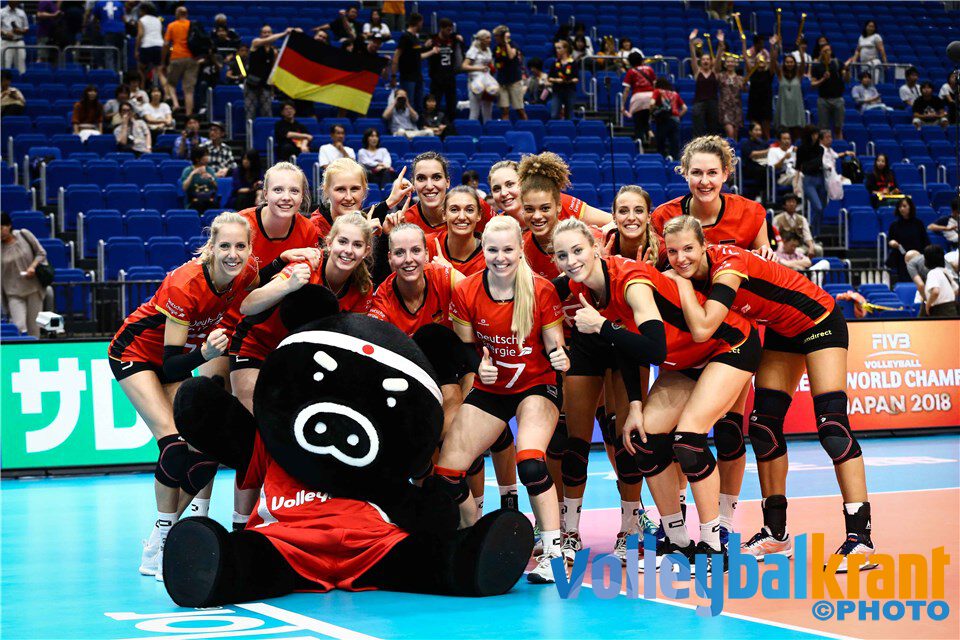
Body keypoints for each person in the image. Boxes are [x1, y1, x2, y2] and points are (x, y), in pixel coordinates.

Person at [662, 217, 875, 571]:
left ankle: (860, 537)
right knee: (763, 426)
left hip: (819, 319)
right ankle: (776, 533)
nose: (681, 258)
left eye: (688, 249)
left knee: (832, 426)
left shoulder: (728, 267)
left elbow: (703, 327)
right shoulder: (686, 268)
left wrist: (681, 284)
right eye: (673, 252)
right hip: (782, 329)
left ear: (704, 246)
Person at [108, 211, 259, 580]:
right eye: (225, 246)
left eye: (241, 246)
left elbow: (262, 287)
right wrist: (205, 354)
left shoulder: (247, 274)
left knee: (206, 451)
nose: (233, 254)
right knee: (174, 446)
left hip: (177, 359)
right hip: (135, 354)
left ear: (249, 249)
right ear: (211, 247)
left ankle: (165, 536)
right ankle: (160, 542)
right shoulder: (185, 284)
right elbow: (172, 365)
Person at [434, 215, 570, 583]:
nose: (500, 257)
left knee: (531, 463)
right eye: (493, 250)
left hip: (536, 386)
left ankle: (553, 553)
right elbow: (464, 347)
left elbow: (555, 347)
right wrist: (478, 365)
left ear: (520, 250)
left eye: (508, 249)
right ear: (484, 250)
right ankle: (472, 534)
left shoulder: (542, 290)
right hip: (492, 389)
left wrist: (560, 356)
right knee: (446, 474)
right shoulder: (466, 291)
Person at [225, 162, 322, 537]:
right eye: (278, 190)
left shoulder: (308, 229)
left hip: (285, 343)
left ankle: (282, 516)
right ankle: (235, 525)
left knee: (287, 433)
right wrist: (281, 262)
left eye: (294, 191)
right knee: (250, 434)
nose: (286, 197)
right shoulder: (242, 225)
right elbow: (240, 293)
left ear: (303, 196)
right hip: (236, 330)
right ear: (263, 193)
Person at [652, 135, 773, 255]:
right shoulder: (663, 216)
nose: (704, 181)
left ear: (725, 174)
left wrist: (766, 257)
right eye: (696, 172)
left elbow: (765, 263)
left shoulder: (750, 213)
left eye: (712, 172)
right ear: (685, 173)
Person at [488, 158, 613, 230]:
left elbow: (612, 222)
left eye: (510, 184)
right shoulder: (498, 226)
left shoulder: (557, 201)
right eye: (496, 189)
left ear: (523, 183)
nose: (503, 193)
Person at [0, 212, 47, 337]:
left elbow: (41, 253)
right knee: (18, 326)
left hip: (33, 289)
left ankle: (35, 349)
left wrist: (32, 267)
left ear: (9, 225)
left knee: (34, 329)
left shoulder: (24, 235)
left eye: (1, 228)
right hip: (13, 292)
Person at [426, 185, 486, 276]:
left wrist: (451, 273)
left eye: (469, 210)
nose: (462, 217)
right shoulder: (427, 245)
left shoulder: (489, 255)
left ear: (478, 215)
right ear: (444, 214)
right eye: (454, 210)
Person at [392, 13, 436, 112]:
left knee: (419, 105)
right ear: (418, 22)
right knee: (409, 104)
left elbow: (418, 56)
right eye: (421, 23)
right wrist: (394, 76)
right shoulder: (405, 36)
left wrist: (429, 50)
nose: (422, 25)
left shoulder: (415, 38)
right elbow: (396, 56)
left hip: (417, 76)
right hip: (408, 77)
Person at [246, 26, 291, 122]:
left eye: (269, 32)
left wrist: (273, 87)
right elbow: (267, 40)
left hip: (265, 85)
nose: (266, 34)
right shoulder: (255, 43)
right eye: (264, 32)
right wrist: (284, 33)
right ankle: (250, 131)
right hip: (252, 84)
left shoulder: (273, 51)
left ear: (272, 33)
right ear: (260, 34)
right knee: (250, 111)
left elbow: (273, 70)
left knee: (266, 111)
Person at [162, 6, 198, 115]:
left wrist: (163, 60)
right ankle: (188, 114)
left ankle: (176, 104)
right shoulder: (192, 25)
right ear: (186, 14)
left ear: (177, 14)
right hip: (192, 58)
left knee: (170, 83)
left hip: (176, 57)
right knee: (189, 90)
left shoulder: (172, 25)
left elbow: (166, 44)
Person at [428, 18, 464, 122]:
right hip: (436, 77)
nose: (450, 32)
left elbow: (461, 47)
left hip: (450, 76)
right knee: (435, 103)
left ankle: (450, 124)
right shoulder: (433, 40)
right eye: (448, 30)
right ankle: (434, 123)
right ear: (442, 28)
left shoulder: (453, 38)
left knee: (451, 103)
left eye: (451, 30)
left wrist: (459, 38)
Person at [887, 197, 931, 281]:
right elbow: (890, 240)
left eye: (904, 206)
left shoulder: (918, 223)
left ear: (910, 207)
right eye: (900, 207)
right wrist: (891, 242)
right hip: (901, 258)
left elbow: (925, 241)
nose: (901, 209)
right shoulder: (894, 225)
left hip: (917, 257)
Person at [810, 43, 848, 140]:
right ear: (820, 53)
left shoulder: (838, 63)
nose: (827, 53)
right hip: (823, 100)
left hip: (838, 99)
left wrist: (847, 71)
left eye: (828, 50)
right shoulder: (817, 67)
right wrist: (823, 79)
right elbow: (813, 84)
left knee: (838, 128)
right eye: (824, 51)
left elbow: (846, 79)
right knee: (823, 129)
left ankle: (839, 145)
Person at [688, 29, 720, 137]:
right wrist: (691, 42)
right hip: (699, 102)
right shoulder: (697, 72)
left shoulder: (715, 72)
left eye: (707, 59)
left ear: (711, 62)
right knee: (698, 128)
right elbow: (693, 57)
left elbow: (718, 58)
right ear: (700, 62)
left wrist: (721, 44)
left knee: (713, 128)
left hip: (713, 102)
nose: (705, 61)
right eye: (703, 59)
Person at [796, 125, 827, 238]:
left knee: (822, 208)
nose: (815, 136)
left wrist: (807, 165)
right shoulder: (801, 149)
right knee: (818, 206)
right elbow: (798, 167)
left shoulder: (820, 149)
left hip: (820, 178)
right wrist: (796, 184)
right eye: (813, 134)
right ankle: (810, 229)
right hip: (808, 180)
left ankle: (816, 234)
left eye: (817, 134)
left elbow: (817, 163)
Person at [463, 29, 499, 123]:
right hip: (475, 81)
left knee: (488, 110)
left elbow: (489, 64)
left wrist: (491, 68)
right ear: (481, 39)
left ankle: (488, 129)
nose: (490, 40)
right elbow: (464, 66)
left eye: (490, 38)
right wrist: (480, 68)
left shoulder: (488, 50)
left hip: (487, 80)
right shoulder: (473, 50)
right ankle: (472, 129)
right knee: (474, 111)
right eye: (487, 38)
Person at [621, 52, 657, 143]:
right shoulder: (649, 69)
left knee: (638, 122)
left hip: (638, 97)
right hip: (650, 97)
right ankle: (650, 133)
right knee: (646, 118)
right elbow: (655, 85)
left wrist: (622, 104)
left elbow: (627, 90)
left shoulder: (631, 71)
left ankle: (640, 143)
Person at [493, 25, 526, 121]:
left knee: (519, 109)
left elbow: (511, 56)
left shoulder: (513, 45)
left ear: (502, 36)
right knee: (505, 110)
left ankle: (526, 126)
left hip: (514, 81)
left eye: (496, 35)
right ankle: (505, 127)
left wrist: (506, 42)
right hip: (502, 81)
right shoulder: (496, 48)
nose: (495, 38)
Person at [747, 38, 778, 139]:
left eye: (763, 60)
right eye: (759, 60)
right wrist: (743, 43)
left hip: (765, 103)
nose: (761, 61)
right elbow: (745, 58)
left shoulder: (769, 73)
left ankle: (767, 145)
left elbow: (773, 60)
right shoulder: (752, 72)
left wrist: (772, 46)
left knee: (766, 132)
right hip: (754, 102)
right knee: (754, 130)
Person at [774, 193, 822, 257]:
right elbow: (775, 236)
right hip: (784, 246)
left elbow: (807, 236)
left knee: (818, 249)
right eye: (789, 202)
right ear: (784, 205)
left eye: (793, 202)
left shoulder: (802, 219)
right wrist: (783, 246)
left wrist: (811, 247)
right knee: (797, 251)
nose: (791, 204)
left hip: (800, 245)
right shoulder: (777, 219)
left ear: (796, 204)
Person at [650, 78, 686, 160]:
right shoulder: (675, 94)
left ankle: (661, 160)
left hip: (663, 119)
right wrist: (678, 116)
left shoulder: (658, 91)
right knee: (674, 143)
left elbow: (651, 103)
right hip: (675, 120)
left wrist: (652, 113)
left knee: (661, 142)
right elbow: (685, 108)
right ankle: (674, 161)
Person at [775, 41, 806, 134]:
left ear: (795, 63)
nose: (789, 64)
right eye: (787, 62)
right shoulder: (780, 75)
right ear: (784, 63)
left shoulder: (798, 74)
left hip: (796, 106)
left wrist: (800, 48)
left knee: (796, 132)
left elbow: (803, 62)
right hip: (784, 105)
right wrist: (775, 47)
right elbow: (774, 61)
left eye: (791, 62)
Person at [87, 0, 126, 69]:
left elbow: (94, 19)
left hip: (107, 30)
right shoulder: (119, 3)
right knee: (119, 52)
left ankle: (111, 72)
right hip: (120, 30)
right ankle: (120, 71)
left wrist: (96, 26)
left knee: (109, 53)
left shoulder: (99, 3)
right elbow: (123, 19)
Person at [923, 245, 959, 317]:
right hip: (952, 308)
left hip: (939, 311)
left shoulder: (933, 273)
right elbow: (956, 290)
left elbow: (935, 291)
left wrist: (928, 305)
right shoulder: (945, 272)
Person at [181, 147, 219, 213]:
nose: (208, 157)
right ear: (197, 158)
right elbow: (184, 188)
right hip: (193, 200)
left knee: (215, 206)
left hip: (209, 199)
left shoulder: (210, 170)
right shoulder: (188, 170)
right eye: (205, 155)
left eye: (207, 155)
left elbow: (216, 187)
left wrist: (211, 178)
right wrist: (192, 174)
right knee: (197, 205)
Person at [136, 2, 165, 86]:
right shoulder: (158, 20)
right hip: (159, 46)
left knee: (141, 69)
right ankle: (164, 92)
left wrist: (136, 50)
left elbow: (140, 35)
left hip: (147, 46)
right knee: (159, 71)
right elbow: (162, 34)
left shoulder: (142, 20)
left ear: (144, 10)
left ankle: (142, 88)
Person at [548, 39, 578, 121]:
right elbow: (549, 78)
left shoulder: (573, 63)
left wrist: (569, 80)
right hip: (557, 91)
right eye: (556, 48)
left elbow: (576, 78)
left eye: (559, 48)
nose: (557, 50)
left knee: (569, 116)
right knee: (554, 114)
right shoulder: (555, 63)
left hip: (570, 90)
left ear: (565, 49)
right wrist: (556, 80)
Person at [740, 122, 769, 201]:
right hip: (750, 167)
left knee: (767, 171)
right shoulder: (746, 143)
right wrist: (767, 151)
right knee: (761, 171)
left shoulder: (763, 143)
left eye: (760, 130)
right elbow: (752, 154)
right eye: (756, 130)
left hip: (762, 165)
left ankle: (766, 197)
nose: (758, 132)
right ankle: (757, 195)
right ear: (750, 132)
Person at [0, 0, 28, 74]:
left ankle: (21, 79)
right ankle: (4, 81)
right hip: (6, 42)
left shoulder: (22, 12)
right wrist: (5, 33)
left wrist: (20, 31)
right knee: (6, 66)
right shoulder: (1, 12)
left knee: (21, 66)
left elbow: (26, 28)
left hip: (19, 42)